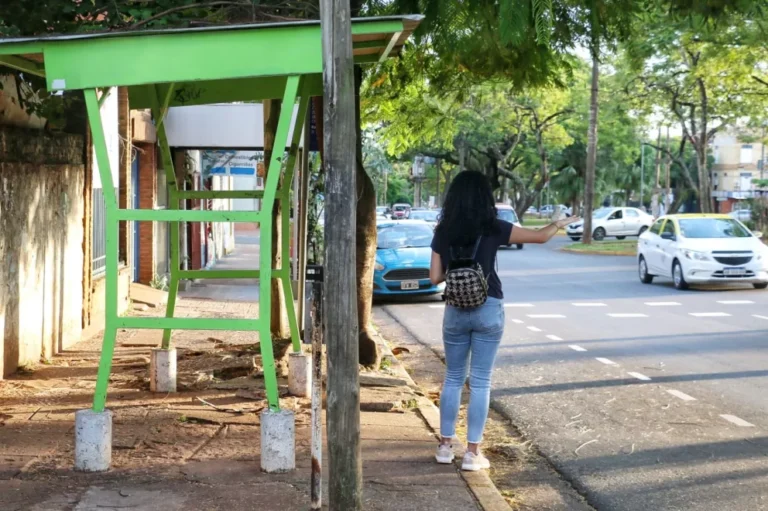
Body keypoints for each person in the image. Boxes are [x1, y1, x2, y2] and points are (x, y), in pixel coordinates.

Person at [429, 171, 579, 471]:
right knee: (481, 381)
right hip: (489, 306)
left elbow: (434, 278)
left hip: (455, 310)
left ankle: (445, 447)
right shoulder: (493, 227)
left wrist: (457, 273)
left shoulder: (443, 230)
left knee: (454, 378)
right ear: (485, 197)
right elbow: (539, 237)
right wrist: (558, 224)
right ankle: (472, 454)